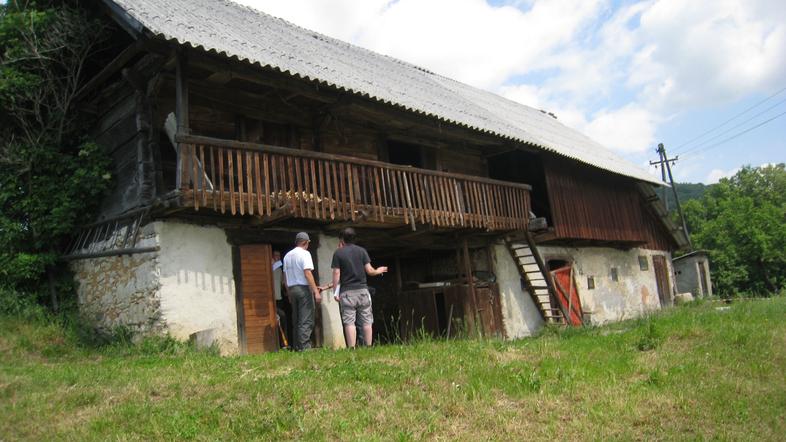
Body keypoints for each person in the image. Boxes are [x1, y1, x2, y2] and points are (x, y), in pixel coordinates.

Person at [328, 227, 387, 348]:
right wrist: (378, 270)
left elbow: (336, 273)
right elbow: (370, 271)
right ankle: (369, 346)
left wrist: (335, 291)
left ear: (342, 239)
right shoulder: (362, 251)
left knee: (349, 321)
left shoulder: (338, 253)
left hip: (347, 292)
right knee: (366, 320)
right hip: (363, 291)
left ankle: (352, 348)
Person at [283, 232, 321, 351]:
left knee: (296, 318)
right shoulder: (305, 254)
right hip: (303, 289)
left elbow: (285, 276)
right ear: (305, 242)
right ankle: (305, 347)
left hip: (292, 289)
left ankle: (296, 346)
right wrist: (316, 291)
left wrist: (288, 292)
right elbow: (307, 272)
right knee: (306, 319)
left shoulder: (287, 256)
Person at [272, 250, 289, 348]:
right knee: (280, 318)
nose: (278, 257)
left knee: (282, 319)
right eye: (275, 255)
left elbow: (283, 282)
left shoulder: (279, 268)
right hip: (272, 299)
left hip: (280, 298)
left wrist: (287, 292)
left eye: (279, 255)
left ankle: (284, 343)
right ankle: (280, 344)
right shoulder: (272, 267)